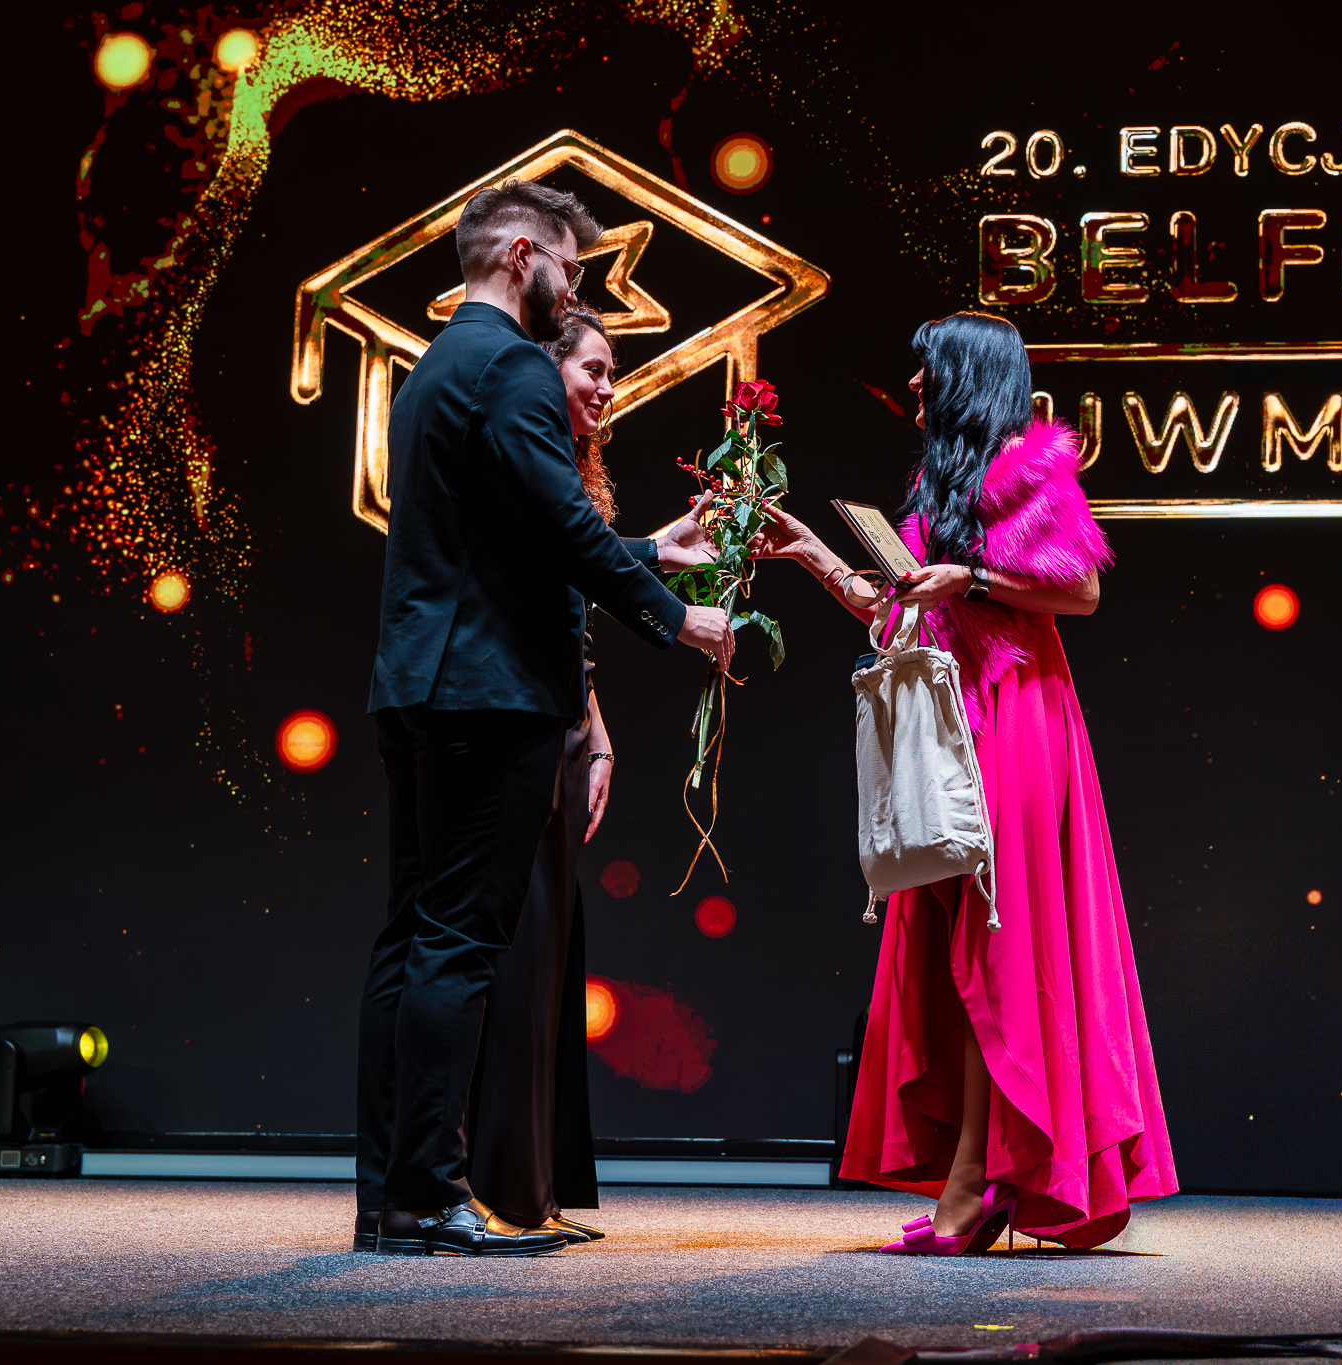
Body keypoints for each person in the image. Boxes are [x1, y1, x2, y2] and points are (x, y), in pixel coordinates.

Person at [356, 180, 735, 1258]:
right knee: (457, 941)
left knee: (410, 939)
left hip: (416, 685)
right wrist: (674, 617)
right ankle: (431, 1196)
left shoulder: (434, 369)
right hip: (488, 694)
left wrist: (651, 551)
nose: (574, 288)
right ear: (523, 254)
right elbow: (562, 523)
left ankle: (391, 1197)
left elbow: (511, 533)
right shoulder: (514, 365)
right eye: (570, 266)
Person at [757, 311, 1177, 1253]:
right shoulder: (936, 487)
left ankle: (973, 1188)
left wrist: (971, 579)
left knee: (998, 946)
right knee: (957, 947)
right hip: (955, 726)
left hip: (1017, 720)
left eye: (927, 369)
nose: (912, 384)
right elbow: (894, 609)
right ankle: (980, 1177)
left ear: (966, 377)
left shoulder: (1031, 472)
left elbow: (1081, 592)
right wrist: (812, 551)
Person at [463, 308, 631, 1245]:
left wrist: (596, 732)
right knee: (518, 955)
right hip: (518, 720)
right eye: (592, 369)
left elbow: (574, 624)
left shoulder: (571, 468)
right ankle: (500, 1186)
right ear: (547, 370)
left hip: (564, 725)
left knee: (553, 956)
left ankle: (535, 1182)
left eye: (612, 373)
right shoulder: (523, 460)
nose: (606, 387)